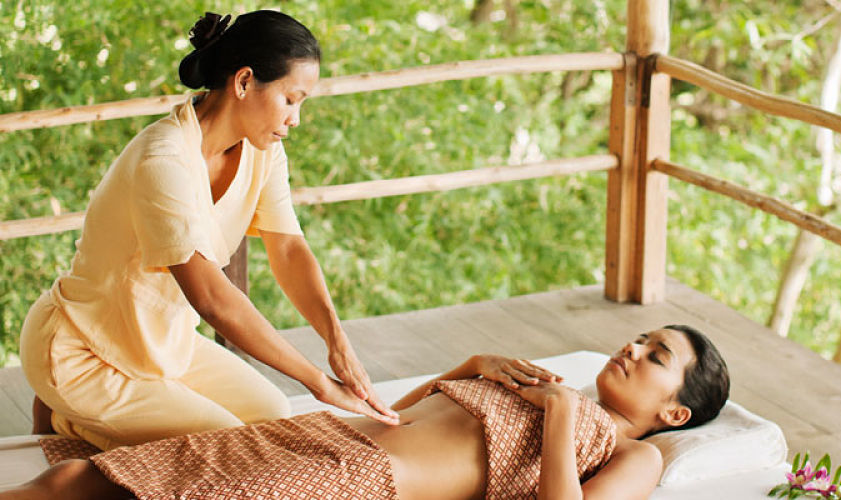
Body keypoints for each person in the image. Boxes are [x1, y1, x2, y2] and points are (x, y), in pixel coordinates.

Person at [18, 9, 398, 453]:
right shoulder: (162, 160)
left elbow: (289, 249)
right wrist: (317, 381)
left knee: (274, 417)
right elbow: (213, 300)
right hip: (82, 353)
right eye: (291, 99)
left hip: (164, 346)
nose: (296, 118)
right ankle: (68, 416)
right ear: (243, 82)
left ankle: (89, 417)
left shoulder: (263, 152)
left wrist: (338, 344)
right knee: (234, 445)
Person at [4, 325, 730, 499]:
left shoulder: (634, 452)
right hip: (324, 435)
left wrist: (561, 414)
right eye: (640, 338)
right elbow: (400, 410)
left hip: (354, 481)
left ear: (672, 413)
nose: (632, 349)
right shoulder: (541, 379)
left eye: (656, 357)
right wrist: (467, 370)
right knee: (88, 483)